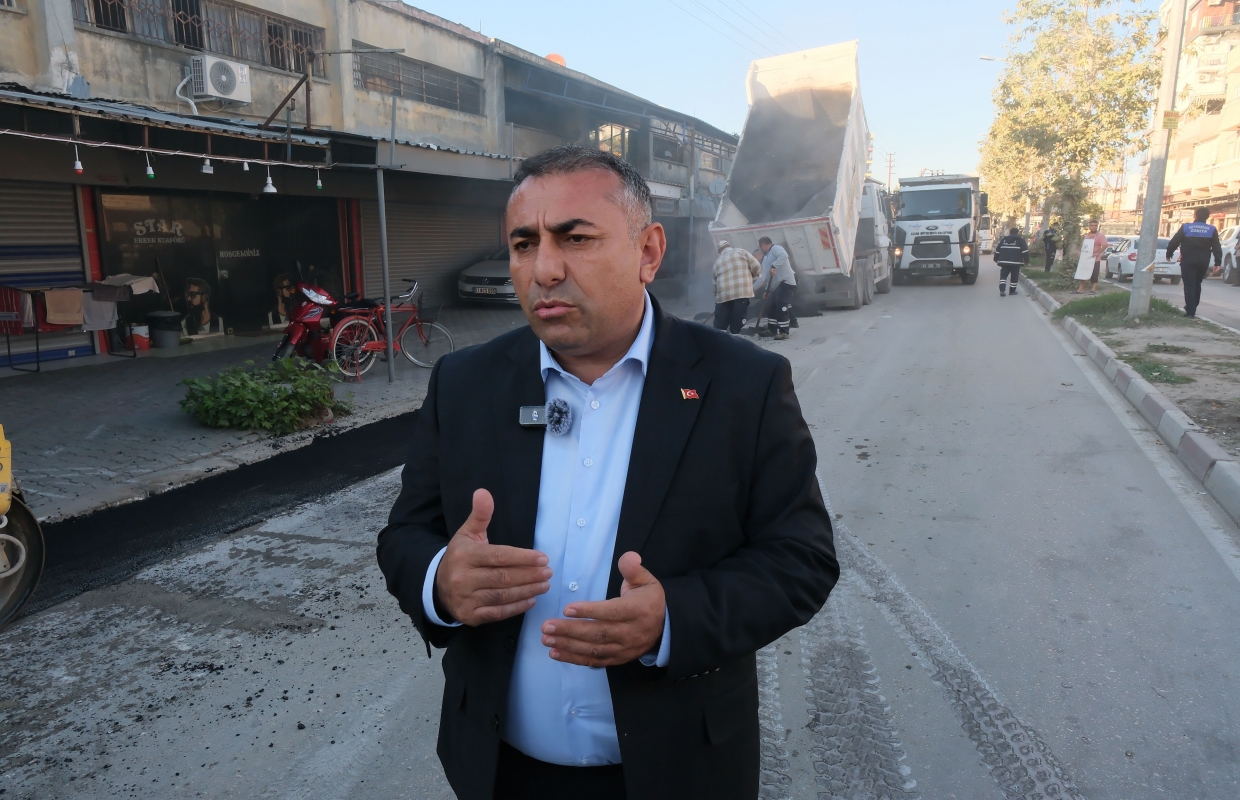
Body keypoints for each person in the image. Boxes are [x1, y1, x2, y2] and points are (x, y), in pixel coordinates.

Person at [376, 145, 838, 800]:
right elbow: (405, 535)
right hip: (499, 773)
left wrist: (672, 619)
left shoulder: (743, 384)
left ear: (648, 252)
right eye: (524, 244)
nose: (544, 269)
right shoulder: (464, 383)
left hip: (680, 775)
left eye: (575, 239)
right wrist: (439, 583)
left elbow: (801, 559)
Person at [1166, 207, 1223, 319]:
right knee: (1197, 284)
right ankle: (1193, 307)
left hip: (1188, 260)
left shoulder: (1186, 227)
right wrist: (1218, 262)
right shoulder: (1211, 229)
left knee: (1189, 285)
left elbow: (1174, 241)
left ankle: (1190, 311)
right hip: (1203, 261)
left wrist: (1169, 253)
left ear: (1195, 215)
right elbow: (1216, 246)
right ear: (1207, 216)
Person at [711, 239, 761, 334]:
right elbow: (756, 266)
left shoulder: (717, 262)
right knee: (737, 319)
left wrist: (716, 294)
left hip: (723, 296)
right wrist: (752, 276)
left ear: (720, 250)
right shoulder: (741, 252)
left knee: (720, 322)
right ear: (729, 246)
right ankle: (735, 337)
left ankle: (719, 338)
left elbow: (714, 283)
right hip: (741, 293)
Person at [758, 236, 796, 340]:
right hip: (775, 286)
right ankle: (772, 329)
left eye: (760, 247)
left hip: (785, 282)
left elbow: (784, 255)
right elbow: (767, 276)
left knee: (781, 306)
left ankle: (784, 332)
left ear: (763, 244)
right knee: (771, 306)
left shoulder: (775, 248)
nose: (761, 249)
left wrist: (774, 266)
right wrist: (767, 290)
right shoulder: (767, 256)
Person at [1074, 220, 1109, 294]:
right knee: (1083, 273)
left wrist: (1097, 253)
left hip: (1095, 259)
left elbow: (1105, 245)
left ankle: (1093, 290)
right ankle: (1081, 289)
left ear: (1097, 226)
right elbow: (1082, 246)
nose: (1094, 227)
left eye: (1095, 225)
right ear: (1089, 227)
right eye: (1092, 225)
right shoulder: (1086, 236)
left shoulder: (1100, 236)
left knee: (1094, 274)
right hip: (1085, 258)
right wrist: (1079, 252)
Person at [995, 227, 1029, 297]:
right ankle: (1012, 291)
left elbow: (998, 250)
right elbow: (1025, 252)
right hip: (1016, 262)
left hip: (1004, 262)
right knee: (1014, 277)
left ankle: (1002, 290)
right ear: (1017, 233)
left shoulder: (1003, 240)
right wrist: (1027, 261)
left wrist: (996, 259)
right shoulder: (1020, 240)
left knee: (1003, 276)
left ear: (1010, 233)